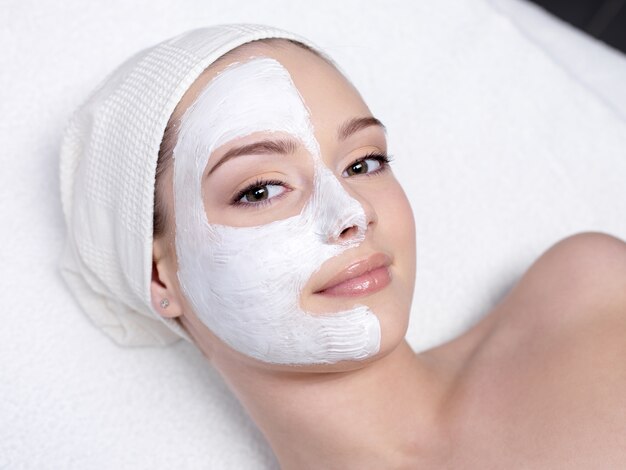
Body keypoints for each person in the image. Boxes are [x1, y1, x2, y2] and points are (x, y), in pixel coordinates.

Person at [59, 24, 626, 468]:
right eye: (260, 189)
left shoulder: (587, 297)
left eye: (364, 162)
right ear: (161, 278)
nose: (354, 212)